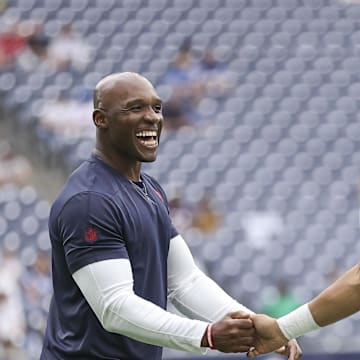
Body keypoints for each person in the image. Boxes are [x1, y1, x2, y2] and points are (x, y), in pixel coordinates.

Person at [40, 72, 301, 360]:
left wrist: (255, 326)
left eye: (156, 107)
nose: (152, 117)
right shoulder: (89, 201)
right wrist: (207, 335)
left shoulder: (150, 190)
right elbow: (114, 308)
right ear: (100, 119)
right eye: (135, 108)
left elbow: (184, 281)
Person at [247, 263, 360, 358]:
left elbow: (355, 287)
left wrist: (282, 330)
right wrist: (282, 330)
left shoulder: (292, 300)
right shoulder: (271, 301)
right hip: (281, 339)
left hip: (292, 337)